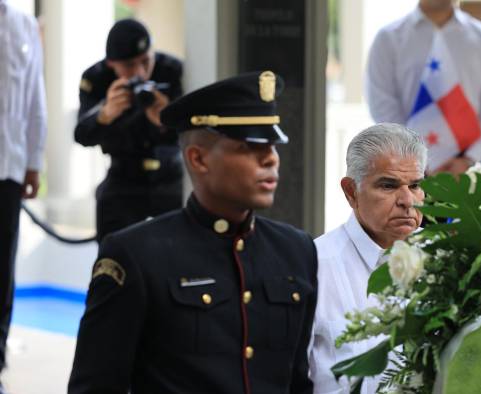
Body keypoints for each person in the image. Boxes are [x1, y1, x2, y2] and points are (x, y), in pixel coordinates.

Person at [68, 71, 318, 394]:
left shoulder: (296, 251)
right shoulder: (137, 256)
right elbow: (95, 387)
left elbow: (297, 382)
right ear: (198, 159)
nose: (270, 158)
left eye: (272, 144)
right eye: (249, 146)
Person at [309, 123, 427, 393]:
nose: (408, 200)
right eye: (389, 185)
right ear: (351, 192)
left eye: (416, 185)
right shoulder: (314, 266)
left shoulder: (448, 255)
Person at [366, 0, 481, 176]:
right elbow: (382, 105)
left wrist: (469, 159)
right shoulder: (388, 39)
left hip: (472, 167)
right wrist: (415, 160)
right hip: (408, 169)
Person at [74, 18, 183, 242]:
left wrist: (165, 120)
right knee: (114, 255)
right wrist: (104, 115)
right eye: (130, 66)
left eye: (145, 61)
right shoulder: (96, 79)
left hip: (169, 178)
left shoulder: (172, 70)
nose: (141, 74)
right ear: (111, 64)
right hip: (123, 177)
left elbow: (197, 132)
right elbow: (81, 135)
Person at [0, 1, 47, 389]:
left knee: (2, 271)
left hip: (8, 170)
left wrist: (34, 161)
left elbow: (35, 99)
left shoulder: (22, 25)